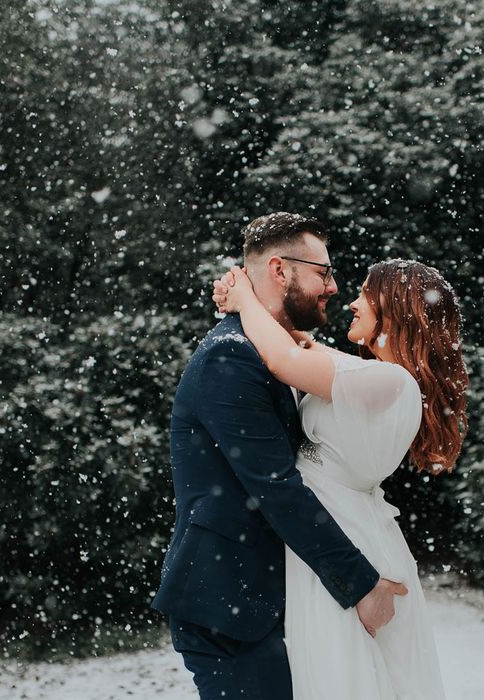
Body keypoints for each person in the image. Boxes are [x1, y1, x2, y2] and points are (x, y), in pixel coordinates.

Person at [151, 212, 408, 699]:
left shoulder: (274, 352)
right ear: (278, 270)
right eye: (323, 272)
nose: (333, 286)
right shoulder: (229, 358)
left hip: (265, 599)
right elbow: (275, 488)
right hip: (230, 604)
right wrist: (360, 585)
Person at [213, 254, 469, 699]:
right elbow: (304, 348)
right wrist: (256, 304)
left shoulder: (391, 381)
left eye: (365, 294)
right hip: (338, 533)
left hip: (350, 541)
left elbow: (285, 360)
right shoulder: (374, 375)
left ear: (396, 308)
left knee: (347, 680)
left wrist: (243, 299)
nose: (351, 303)